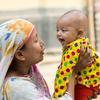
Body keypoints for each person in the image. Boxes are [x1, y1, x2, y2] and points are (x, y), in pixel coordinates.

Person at [0, 18, 92, 100]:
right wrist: (72, 72)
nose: (42, 43)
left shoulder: (26, 71)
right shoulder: (19, 88)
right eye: (35, 40)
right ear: (20, 55)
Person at [53, 10, 100, 100]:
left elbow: (65, 71)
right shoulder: (82, 42)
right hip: (91, 82)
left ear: (79, 33)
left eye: (64, 30)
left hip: (83, 86)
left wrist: (58, 94)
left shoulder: (74, 48)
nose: (58, 33)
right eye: (57, 30)